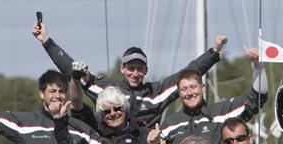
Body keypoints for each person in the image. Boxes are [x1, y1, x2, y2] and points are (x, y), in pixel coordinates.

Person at [32, 18, 226, 126]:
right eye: (130, 68)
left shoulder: (156, 92)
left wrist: (214, 52)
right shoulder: (105, 89)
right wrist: (46, 41)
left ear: (146, 71)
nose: (135, 73)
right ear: (122, 69)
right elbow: (71, 69)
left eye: (140, 69)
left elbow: (188, 73)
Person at [160, 47, 267, 144]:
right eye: (184, 89)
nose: (189, 93)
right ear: (179, 92)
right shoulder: (169, 124)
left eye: (193, 87)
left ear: (203, 88)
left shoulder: (222, 113)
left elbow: (257, 98)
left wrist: (258, 65)